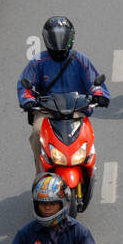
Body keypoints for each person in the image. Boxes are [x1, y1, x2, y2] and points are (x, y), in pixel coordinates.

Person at [17, 15, 109, 172]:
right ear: (47, 39)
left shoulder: (81, 60)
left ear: (70, 38)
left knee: (85, 138)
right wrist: (28, 100)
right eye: (55, 37)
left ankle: (88, 170)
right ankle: (41, 173)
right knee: (37, 134)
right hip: (48, 112)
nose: (59, 42)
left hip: (76, 110)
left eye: (62, 37)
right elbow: (25, 85)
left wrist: (100, 95)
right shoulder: (38, 62)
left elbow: (94, 83)